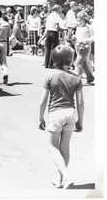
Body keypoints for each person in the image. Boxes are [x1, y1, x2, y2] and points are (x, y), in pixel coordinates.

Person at [38, 45, 84, 189]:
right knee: (65, 147)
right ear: (71, 59)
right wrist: (80, 121)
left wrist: (41, 118)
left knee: (53, 146)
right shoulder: (76, 78)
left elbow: (43, 101)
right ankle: (59, 179)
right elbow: (81, 102)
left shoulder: (50, 76)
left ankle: (67, 176)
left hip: (56, 114)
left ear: (54, 60)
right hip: (71, 113)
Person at [73, 11, 94, 84]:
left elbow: (94, 37)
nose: (78, 20)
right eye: (77, 19)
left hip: (85, 47)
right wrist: (74, 38)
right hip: (78, 47)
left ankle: (76, 81)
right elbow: (77, 36)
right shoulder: (77, 27)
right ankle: (90, 79)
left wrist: (87, 41)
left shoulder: (89, 27)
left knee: (78, 63)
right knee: (84, 64)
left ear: (84, 19)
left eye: (79, 19)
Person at [44, 4, 61, 68]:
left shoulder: (49, 15)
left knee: (47, 48)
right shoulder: (57, 16)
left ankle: (46, 63)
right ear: (57, 9)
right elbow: (57, 26)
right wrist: (60, 29)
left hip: (48, 32)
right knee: (53, 49)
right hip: (54, 32)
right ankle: (50, 64)